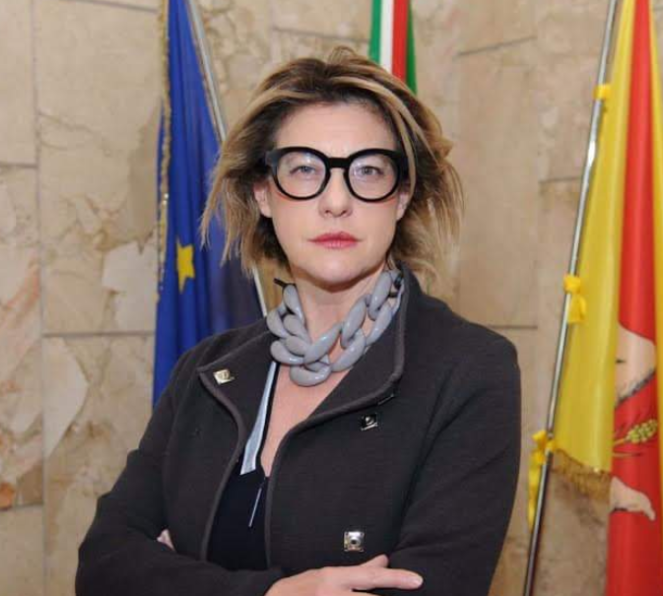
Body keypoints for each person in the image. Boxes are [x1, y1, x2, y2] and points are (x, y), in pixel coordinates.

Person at [76, 46, 521, 596]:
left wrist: (174, 576)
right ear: (264, 193)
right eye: (305, 169)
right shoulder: (206, 371)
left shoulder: (469, 370)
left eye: (368, 171)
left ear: (402, 197)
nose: (336, 201)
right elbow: (104, 565)